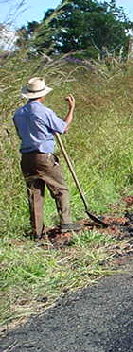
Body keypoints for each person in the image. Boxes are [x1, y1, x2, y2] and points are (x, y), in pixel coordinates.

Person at [13, 77, 82, 239]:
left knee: (35, 194)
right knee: (60, 189)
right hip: (44, 157)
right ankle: (66, 223)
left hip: (27, 158)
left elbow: (20, 134)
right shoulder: (44, 111)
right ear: (42, 95)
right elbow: (63, 128)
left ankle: (37, 232)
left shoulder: (18, 113)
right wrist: (71, 109)